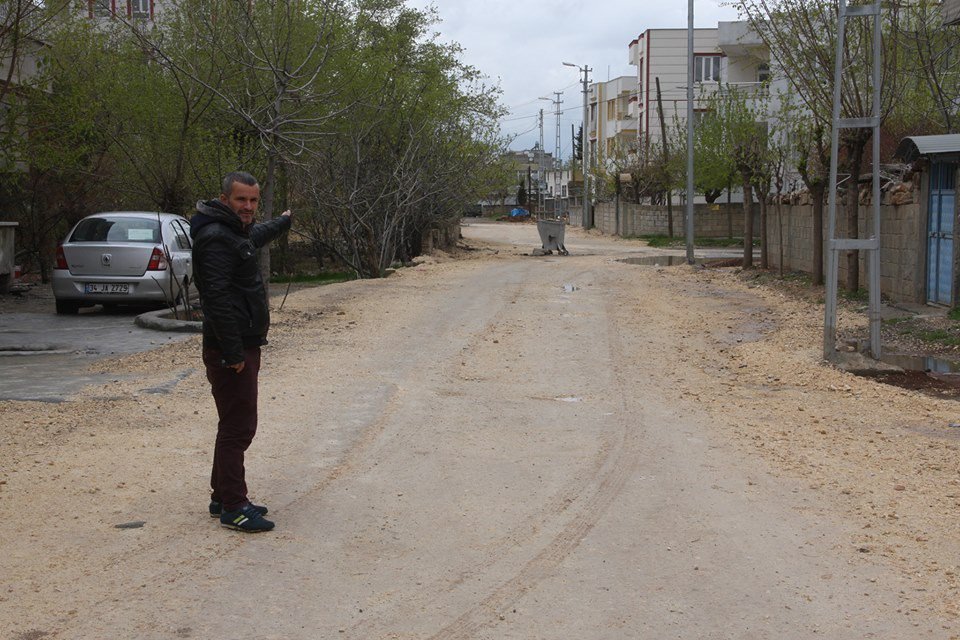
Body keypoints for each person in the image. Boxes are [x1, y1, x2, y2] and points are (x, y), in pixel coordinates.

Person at [191, 171, 292, 532]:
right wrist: (233, 352)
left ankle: (222, 496)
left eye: (252, 200)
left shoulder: (232, 229)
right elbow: (215, 299)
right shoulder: (217, 238)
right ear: (224, 199)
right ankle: (234, 505)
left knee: (232, 422)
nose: (248, 207)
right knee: (239, 427)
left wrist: (283, 221)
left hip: (239, 344)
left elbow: (255, 235)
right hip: (230, 349)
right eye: (241, 200)